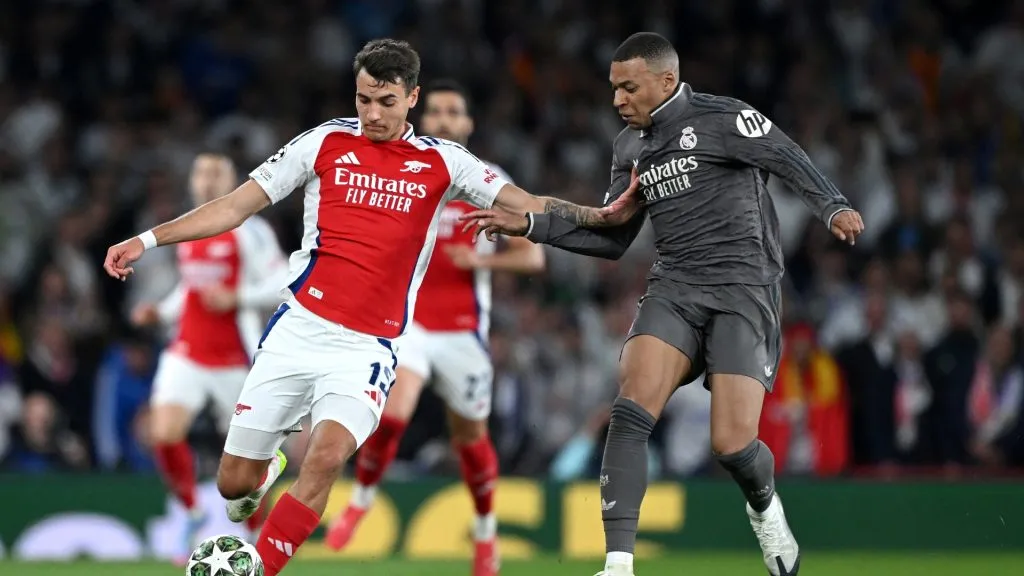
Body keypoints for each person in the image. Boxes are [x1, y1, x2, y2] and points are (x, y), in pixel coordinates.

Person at [103, 39, 635, 576]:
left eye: (386, 101)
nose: (373, 114)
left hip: (366, 348)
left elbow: (527, 202)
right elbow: (234, 206)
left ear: (412, 98)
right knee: (232, 485)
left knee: (326, 458)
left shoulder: (445, 162)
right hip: (297, 330)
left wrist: (600, 215)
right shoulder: (324, 143)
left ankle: (259, 567)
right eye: (363, 100)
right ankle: (264, 470)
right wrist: (146, 240)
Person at [463, 32, 864, 576]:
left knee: (732, 445)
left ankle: (765, 506)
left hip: (743, 291)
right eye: (613, 88)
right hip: (675, 287)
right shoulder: (629, 147)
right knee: (631, 408)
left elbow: (786, 155)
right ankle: (618, 565)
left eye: (628, 88)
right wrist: (533, 225)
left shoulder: (724, 118)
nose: (617, 100)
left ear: (666, 80)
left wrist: (832, 206)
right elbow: (612, 236)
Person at [324, 79, 545, 576]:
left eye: (453, 112)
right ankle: (361, 499)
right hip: (410, 326)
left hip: (463, 331)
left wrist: (481, 262)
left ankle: (486, 533)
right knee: (392, 413)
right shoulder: (404, 170)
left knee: (470, 437)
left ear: (468, 123)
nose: (444, 119)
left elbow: (532, 259)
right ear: (423, 119)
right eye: (437, 112)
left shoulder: (490, 180)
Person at [129, 152, 289, 559]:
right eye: (201, 172)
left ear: (233, 180)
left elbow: (285, 281)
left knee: (249, 461)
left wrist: (239, 297)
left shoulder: (251, 231)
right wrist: (161, 312)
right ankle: (191, 511)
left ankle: (254, 537)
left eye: (217, 172)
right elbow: (191, 288)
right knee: (163, 433)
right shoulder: (190, 228)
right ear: (192, 180)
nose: (207, 179)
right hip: (186, 351)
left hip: (235, 360)